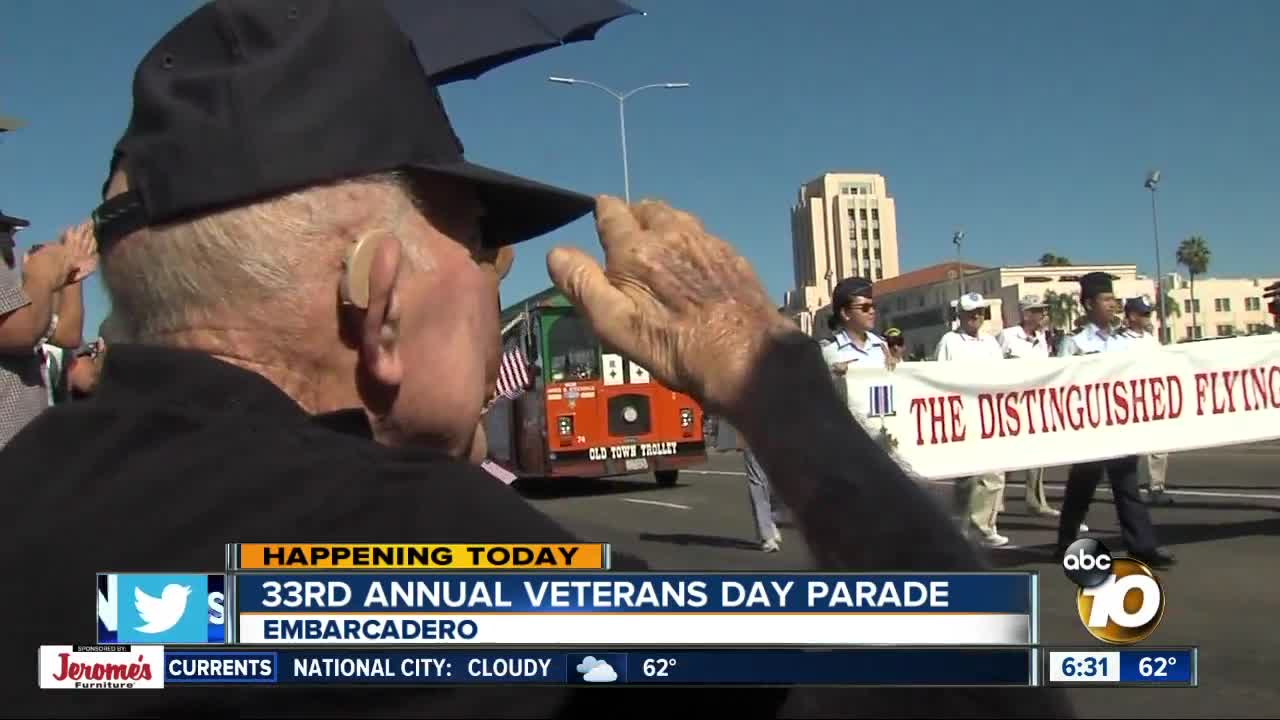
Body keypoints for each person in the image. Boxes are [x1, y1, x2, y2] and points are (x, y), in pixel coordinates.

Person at [0, 2, 1071, 717]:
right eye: (476, 239)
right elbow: (972, 684)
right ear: (376, 294)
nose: (497, 270)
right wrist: (781, 392)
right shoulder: (421, 554)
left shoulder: (31, 488)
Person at [1054, 273, 1175, 568]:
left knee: (1127, 487)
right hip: (1089, 429)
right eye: (1106, 299)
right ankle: (1066, 544)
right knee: (1081, 489)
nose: (1113, 304)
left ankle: (1142, 547)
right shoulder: (1075, 343)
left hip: (1120, 428)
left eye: (1113, 299)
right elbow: (1061, 384)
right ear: (1088, 304)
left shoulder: (1123, 343)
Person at [0, 215, 95, 447]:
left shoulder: (21, 305)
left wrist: (69, 272)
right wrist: (40, 273)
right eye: (7, 233)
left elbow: (67, 334)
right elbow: (24, 333)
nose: (12, 242)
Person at [997, 295, 1086, 529]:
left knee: (1037, 455)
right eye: (1038, 311)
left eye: (1043, 311)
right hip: (1010, 404)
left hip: (1035, 403)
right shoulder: (1007, 336)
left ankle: (1035, 500)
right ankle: (997, 500)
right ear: (1026, 314)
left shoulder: (1041, 338)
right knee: (1005, 456)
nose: (1042, 315)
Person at [934, 293, 1009, 546]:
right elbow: (938, 377)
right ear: (961, 316)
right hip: (963, 414)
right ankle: (960, 526)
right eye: (970, 312)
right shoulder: (949, 341)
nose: (976, 316)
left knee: (995, 474)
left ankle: (985, 526)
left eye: (979, 311)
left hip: (990, 413)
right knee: (967, 478)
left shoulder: (990, 343)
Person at [1118, 297, 1172, 505]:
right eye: (1145, 313)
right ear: (1132, 316)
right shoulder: (1119, 341)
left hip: (1152, 397)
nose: (1148, 317)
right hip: (1128, 400)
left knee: (1159, 447)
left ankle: (1156, 487)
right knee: (1128, 449)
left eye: (1149, 313)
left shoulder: (1150, 340)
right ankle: (1125, 489)